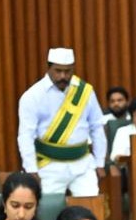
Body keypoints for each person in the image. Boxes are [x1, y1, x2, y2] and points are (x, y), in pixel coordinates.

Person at [17, 47, 108, 197]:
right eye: (58, 71)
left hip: (83, 165)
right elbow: (25, 135)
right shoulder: (33, 96)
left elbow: (97, 127)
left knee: (90, 209)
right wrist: (31, 169)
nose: (63, 76)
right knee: (48, 213)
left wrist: (100, 162)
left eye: (67, 71)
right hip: (48, 166)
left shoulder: (85, 92)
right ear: (48, 68)